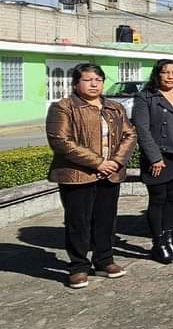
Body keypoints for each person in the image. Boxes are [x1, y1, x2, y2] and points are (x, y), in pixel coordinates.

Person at [45, 63, 137, 288]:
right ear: (76, 83)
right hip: (78, 175)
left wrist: (115, 162)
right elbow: (61, 141)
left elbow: (130, 133)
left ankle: (104, 260)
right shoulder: (63, 107)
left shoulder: (114, 107)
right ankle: (78, 266)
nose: (94, 84)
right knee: (78, 222)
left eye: (98, 80)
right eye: (88, 80)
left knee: (105, 219)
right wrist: (98, 163)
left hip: (110, 174)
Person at [132, 59, 173, 264]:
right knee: (158, 199)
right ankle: (158, 243)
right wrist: (154, 157)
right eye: (165, 72)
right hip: (158, 159)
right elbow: (142, 130)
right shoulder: (146, 97)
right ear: (157, 74)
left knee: (172, 200)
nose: (170, 76)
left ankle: (169, 239)